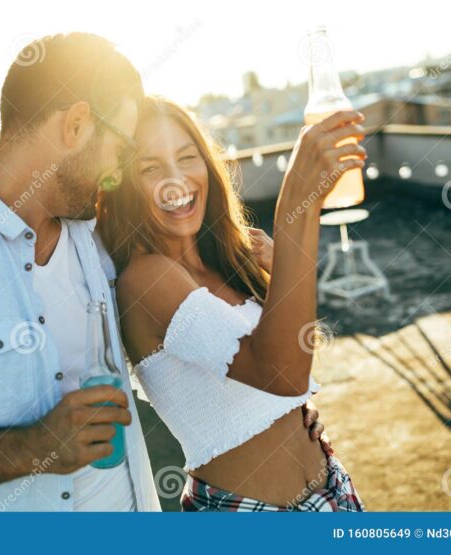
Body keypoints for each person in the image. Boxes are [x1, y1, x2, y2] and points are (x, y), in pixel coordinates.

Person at [0, 32, 325, 512]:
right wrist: (33, 448)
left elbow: (204, 313)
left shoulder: (100, 241)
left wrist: (282, 420)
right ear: (76, 126)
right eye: (122, 149)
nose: (119, 172)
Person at [97, 96, 365, 512]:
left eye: (187, 158)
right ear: (126, 184)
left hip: (332, 491)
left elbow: (288, 366)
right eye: (150, 168)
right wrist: (297, 206)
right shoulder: (146, 278)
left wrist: (291, 412)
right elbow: (281, 374)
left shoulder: (232, 260)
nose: (175, 181)